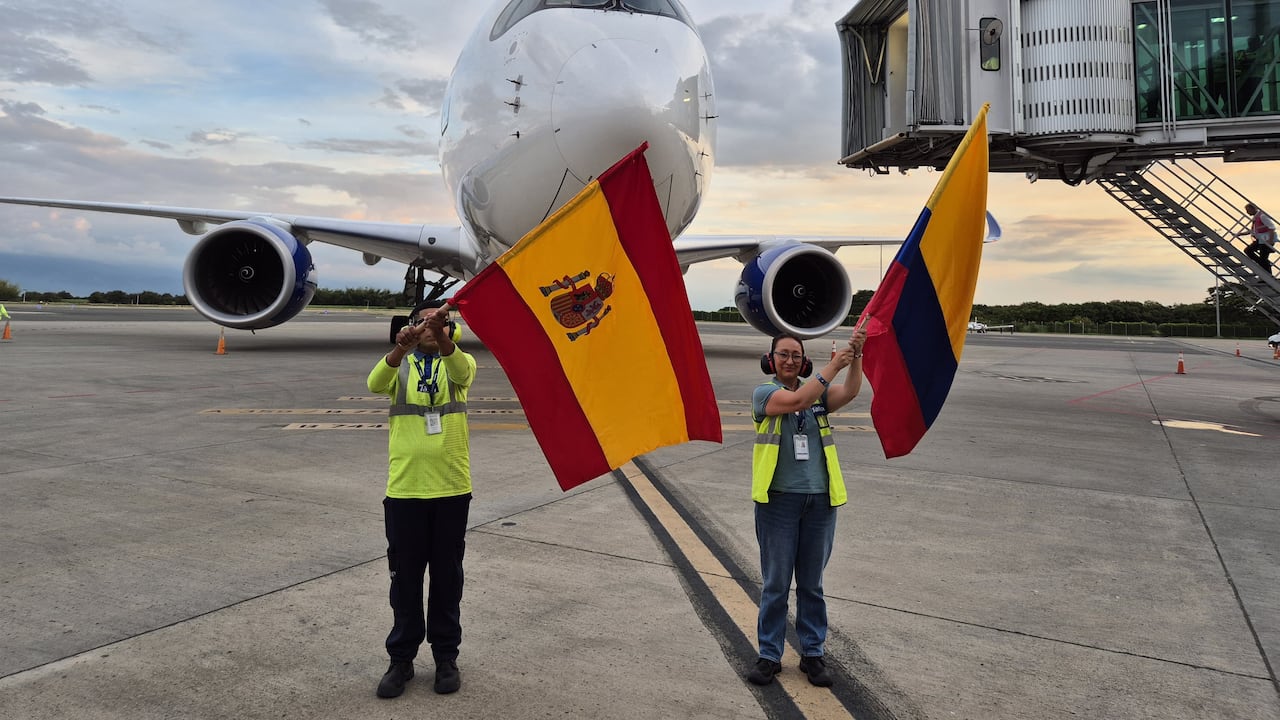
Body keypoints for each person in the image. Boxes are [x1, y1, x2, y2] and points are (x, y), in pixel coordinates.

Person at [367, 298, 477, 699]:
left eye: (438, 321)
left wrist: (445, 339)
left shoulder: (459, 363)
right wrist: (400, 349)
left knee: (447, 577)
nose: (429, 326)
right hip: (405, 489)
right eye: (422, 321)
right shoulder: (401, 367)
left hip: (451, 488)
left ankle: (446, 657)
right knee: (405, 579)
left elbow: (462, 369)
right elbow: (374, 384)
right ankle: (402, 659)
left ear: (450, 329)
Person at [746, 325, 867, 688]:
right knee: (776, 584)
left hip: (820, 502)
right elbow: (797, 402)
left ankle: (812, 654)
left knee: (812, 585)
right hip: (778, 502)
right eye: (783, 354)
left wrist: (856, 358)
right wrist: (832, 367)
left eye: (796, 356)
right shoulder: (764, 393)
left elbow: (850, 391)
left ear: (803, 362)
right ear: (771, 360)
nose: (789, 360)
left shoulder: (819, 394)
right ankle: (769, 655)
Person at [1237, 202, 1276, 274]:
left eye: (1248, 210)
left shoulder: (1262, 216)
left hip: (1266, 239)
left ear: (1253, 209)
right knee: (1250, 252)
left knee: (1263, 258)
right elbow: (1253, 230)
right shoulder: (1256, 218)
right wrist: (1241, 234)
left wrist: (1270, 241)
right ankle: (1263, 267)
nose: (1247, 212)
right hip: (1260, 239)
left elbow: (1272, 227)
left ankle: (1267, 273)